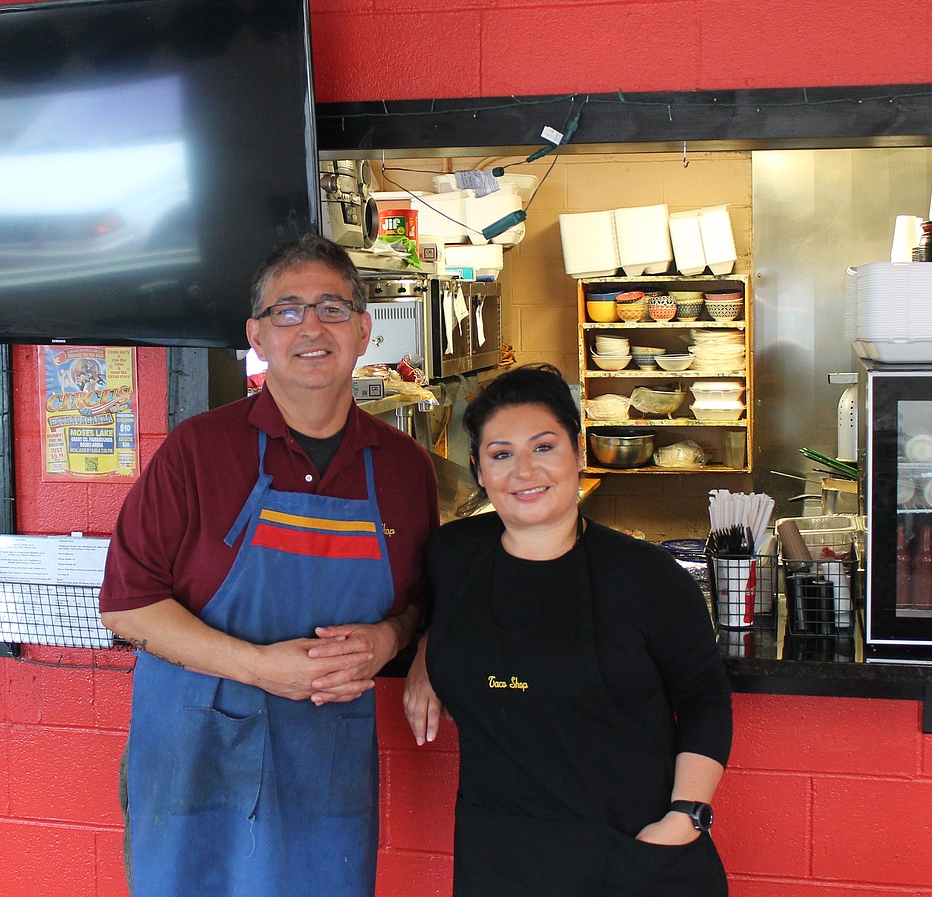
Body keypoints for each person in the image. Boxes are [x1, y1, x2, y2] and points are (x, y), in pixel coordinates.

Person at [101, 233, 439, 897]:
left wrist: (393, 638)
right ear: (258, 335)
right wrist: (259, 668)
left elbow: (425, 602)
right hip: (193, 761)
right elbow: (125, 606)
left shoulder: (405, 470)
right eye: (287, 310)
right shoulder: (197, 451)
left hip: (324, 762)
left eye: (332, 308)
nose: (311, 326)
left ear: (365, 330)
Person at [404, 364, 732, 897]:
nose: (525, 471)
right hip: (500, 857)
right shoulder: (453, 555)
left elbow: (705, 700)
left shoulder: (647, 578)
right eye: (501, 453)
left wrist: (685, 816)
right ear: (479, 470)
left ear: (578, 453)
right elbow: (447, 618)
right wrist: (425, 648)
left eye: (544, 447)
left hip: (632, 853)